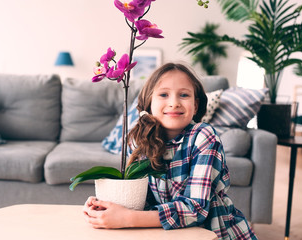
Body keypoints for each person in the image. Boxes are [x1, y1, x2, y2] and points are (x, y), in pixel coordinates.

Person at [83, 63, 258, 240]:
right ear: (149, 103)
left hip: (213, 232)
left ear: (195, 106)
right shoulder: (142, 142)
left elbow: (196, 210)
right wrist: (105, 206)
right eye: (164, 94)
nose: (174, 103)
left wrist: (127, 218)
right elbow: (140, 200)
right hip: (168, 233)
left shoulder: (203, 136)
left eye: (183, 95)